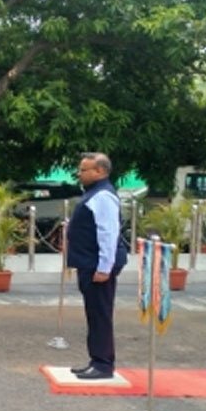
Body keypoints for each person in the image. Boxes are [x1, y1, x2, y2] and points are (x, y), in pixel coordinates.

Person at [67, 152, 128, 380]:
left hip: (97, 265)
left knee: (100, 314)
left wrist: (104, 267)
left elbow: (108, 233)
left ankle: (103, 364)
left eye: (84, 170)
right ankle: (97, 360)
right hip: (89, 262)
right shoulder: (94, 193)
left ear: (99, 171)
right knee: (94, 314)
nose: (79, 174)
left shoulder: (103, 196)